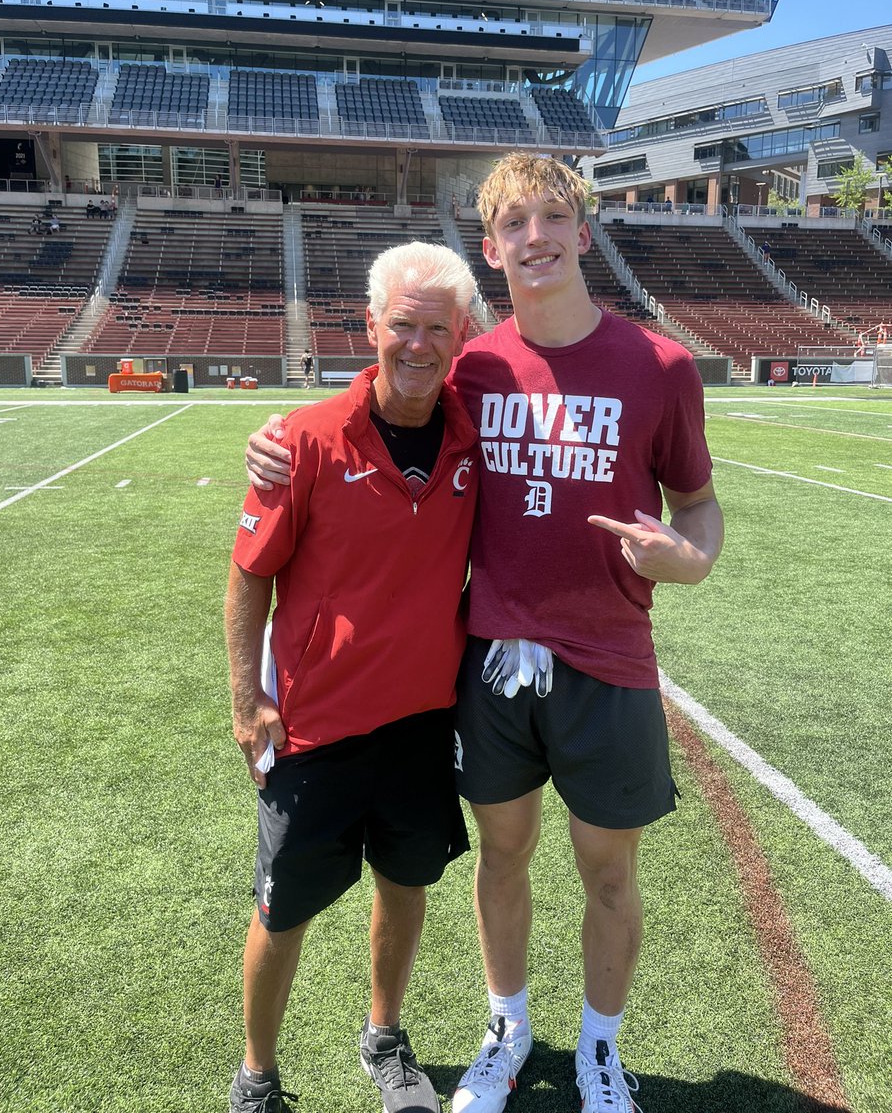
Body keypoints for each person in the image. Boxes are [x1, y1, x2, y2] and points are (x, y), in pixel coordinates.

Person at [246, 154, 724, 1113]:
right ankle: (508, 1029)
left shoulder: (659, 365)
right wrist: (276, 440)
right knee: (502, 856)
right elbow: (387, 386)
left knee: (608, 870)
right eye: (515, 222)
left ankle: (600, 1051)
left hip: (609, 658)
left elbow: (699, 503)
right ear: (492, 243)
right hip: (492, 660)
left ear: (583, 232)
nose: (536, 237)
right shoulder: (472, 362)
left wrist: (690, 557)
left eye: (554, 217)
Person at [225, 241, 480, 1113]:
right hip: (313, 727)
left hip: (421, 724)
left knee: (405, 886)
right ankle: (257, 1076)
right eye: (400, 325)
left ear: (462, 334)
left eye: (434, 329)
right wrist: (245, 698)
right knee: (282, 912)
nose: (417, 344)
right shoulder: (302, 439)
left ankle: (384, 1037)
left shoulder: (474, 432)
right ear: (370, 326)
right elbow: (250, 572)